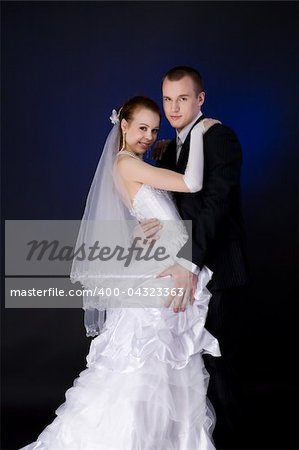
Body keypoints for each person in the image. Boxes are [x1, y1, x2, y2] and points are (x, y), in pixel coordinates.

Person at [19, 96, 221, 450]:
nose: (148, 135)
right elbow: (191, 183)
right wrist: (201, 131)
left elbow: (146, 216)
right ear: (123, 126)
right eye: (141, 127)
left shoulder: (136, 162)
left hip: (167, 268)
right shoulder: (126, 163)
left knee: (166, 366)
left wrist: (135, 233)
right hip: (158, 277)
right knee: (144, 368)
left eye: (154, 129)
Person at [149, 66, 248, 448]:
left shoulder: (219, 137)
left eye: (183, 99)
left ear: (200, 100)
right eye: (168, 99)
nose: (173, 108)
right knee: (194, 371)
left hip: (218, 273)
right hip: (183, 271)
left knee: (221, 373)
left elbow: (215, 207)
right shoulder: (167, 147)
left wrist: (189, 264)